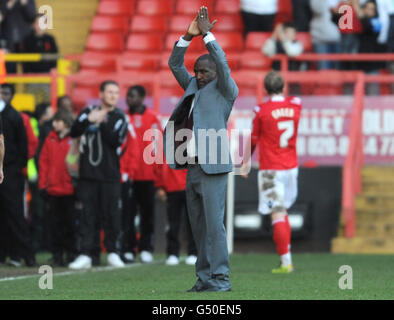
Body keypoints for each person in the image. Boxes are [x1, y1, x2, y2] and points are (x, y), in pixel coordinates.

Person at [164, 7, 238, 292]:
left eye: (205, 71)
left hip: (214, 167)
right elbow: (174, 64)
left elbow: (222, 60)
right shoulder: (192, 87)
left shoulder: (225, 89)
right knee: (198, 228)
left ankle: (221, 279)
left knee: (214, 226)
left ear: (216, 72)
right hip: (192, 165)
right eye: (197, 72)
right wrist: (187, 36)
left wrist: (207, 35)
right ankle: (204, 278)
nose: (199, 75)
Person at [241, 71, 301, 274]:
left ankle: (286, 263)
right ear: (283, 87)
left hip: (271, 169)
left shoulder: (261, 110)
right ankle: (287, 258)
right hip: (291, 167)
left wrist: (245, 161)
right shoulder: (296, 105)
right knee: (283, 212)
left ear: (265, 89)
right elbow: (294, 100)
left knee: (277, 213)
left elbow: (254, 138)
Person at [68, 80, 128, 270]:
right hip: (88, 175)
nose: (112, 96)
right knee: (87, 215)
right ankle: (86, 253)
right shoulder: (88, 112)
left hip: (110, 176)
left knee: (111, 215)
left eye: (116, 93)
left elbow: (115, 141)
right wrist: (88, 120)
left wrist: (100, 121)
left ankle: (112, 252)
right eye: (109, 92)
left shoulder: (119, 117)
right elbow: (74, 131)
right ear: (101, 94)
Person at [121, 85, 162, 264]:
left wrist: (158, 172)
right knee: (127, 214)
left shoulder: (152, 117)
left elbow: (158, 145)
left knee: (147, 214)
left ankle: (146, 248)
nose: (129, 99)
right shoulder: (122, 117)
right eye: (128, 96)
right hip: (127, 174)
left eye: (133, 96)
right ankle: (128, 248)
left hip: (146, 174)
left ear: (142, 97)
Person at [0, 83, 35, 267]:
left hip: (10, 172)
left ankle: (26, 254)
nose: (2, 96)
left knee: (14, 214)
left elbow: (24, 146)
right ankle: (6, 253)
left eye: (6, 93)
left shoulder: (14, 116)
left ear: (12, 96)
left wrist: (15, 169)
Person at [39, 109, 76, 267]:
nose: (54, 123)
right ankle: (57, 255)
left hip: (70, 190)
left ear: (66, 123)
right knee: (55, 226)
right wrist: (43, 185)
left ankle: (72, 254)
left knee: (71, 225)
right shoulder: (50, 139)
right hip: (53, 189)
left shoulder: (74, 139)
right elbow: (43, 163)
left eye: (58, 121)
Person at [156, 161, 197, 266]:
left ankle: (194, 253)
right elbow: (160, 165)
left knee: (192, 222)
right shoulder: (166, 145)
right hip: (172, 188)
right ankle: (172, 253)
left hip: (190, 187)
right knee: (172, 223)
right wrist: (160, 186)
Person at [310, 0, 341, 69]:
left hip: (335, 38)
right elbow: (318, 9)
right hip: (320, 38)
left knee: (335, 70)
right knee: (323, 70)